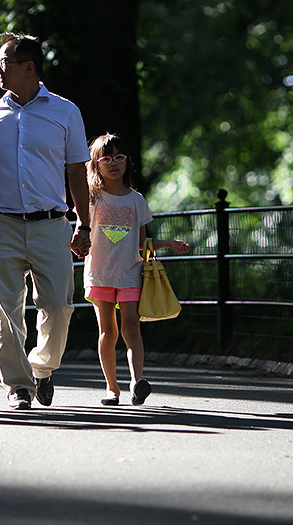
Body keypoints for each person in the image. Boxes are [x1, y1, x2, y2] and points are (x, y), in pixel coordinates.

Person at [0, 32, 92, 410]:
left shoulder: (65, 111)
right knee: (5, 309)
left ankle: (41, 368)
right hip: (3, 224)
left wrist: (84, 223)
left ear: (28, 67)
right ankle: (18, 386)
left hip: (52, 224)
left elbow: (77, 170)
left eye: (4, 62)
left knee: (59, 306)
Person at [84, 133, 189, 406]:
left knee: (132, 327)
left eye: (119, 157)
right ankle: (111, 387)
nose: (113, 163)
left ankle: (136, 381)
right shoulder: (91, 199)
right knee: (107, 331)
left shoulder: (136, 200)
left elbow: (142, 242)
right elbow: (80, 233)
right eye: (106, 158)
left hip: (131, 272)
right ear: (95, 164)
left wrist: (167, 244)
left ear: (127, 162)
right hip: (100, 273)